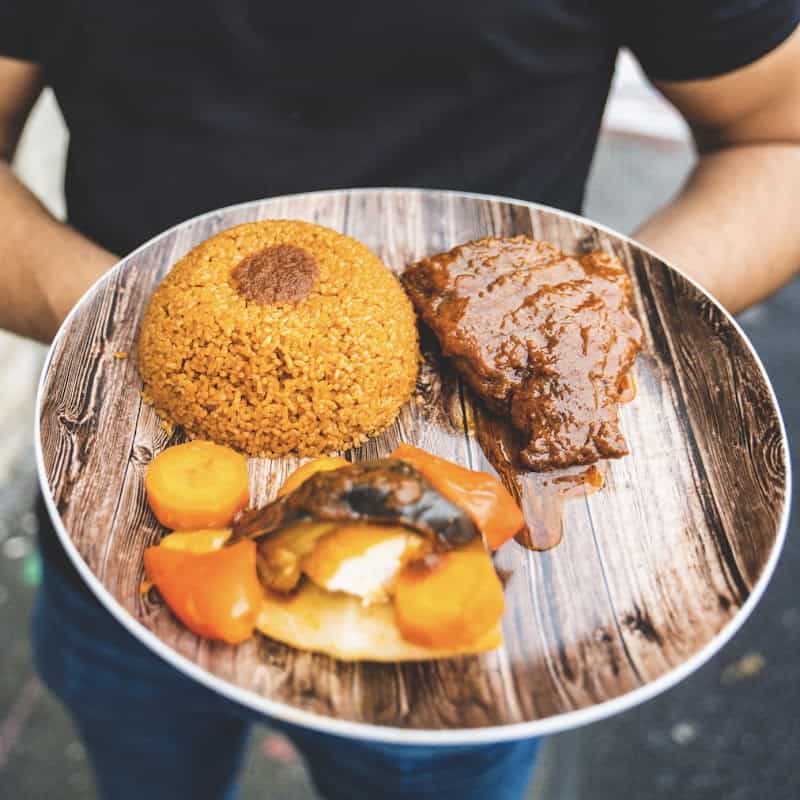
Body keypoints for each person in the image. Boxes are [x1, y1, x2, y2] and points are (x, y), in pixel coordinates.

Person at [2, 2, 799, 798]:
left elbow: (779, 135)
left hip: (473, 643)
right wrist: (136, 327)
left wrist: (587, 322)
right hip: (119, 526)